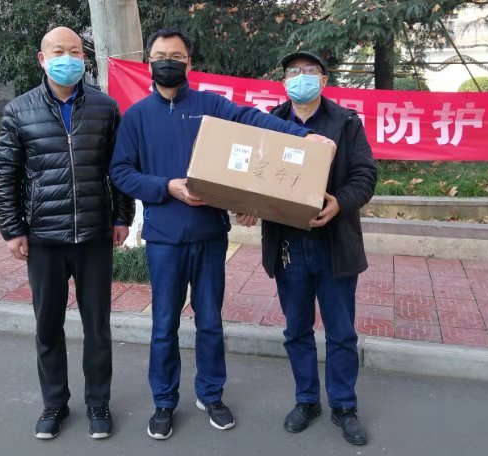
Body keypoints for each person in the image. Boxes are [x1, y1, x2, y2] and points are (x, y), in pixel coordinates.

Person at [109, 28, 334, 440]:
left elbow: (253, 120)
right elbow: (121, 172)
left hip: (210, 235)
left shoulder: (211, 107)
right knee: (164, 325)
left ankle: (211, 394)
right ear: (148, 63)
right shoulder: (136, 117)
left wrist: (304, 136)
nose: (168, 62)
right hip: (164, 240)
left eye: (177, 56)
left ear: (189, 63)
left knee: (210, 321)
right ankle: (164, 402)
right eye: (160, 56)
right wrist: (166, 187)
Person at [0, 26, 135, 442]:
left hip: (94, 236)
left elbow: (119, 168)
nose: (68, 58)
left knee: (98, 326)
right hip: (44, 239)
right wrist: (12, 229)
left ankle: (98, 403)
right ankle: (54, 402)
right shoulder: (19, 110)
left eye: (75, 51)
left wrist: (122, 216)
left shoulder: (105, 108)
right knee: (48, 326)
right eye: (59, 51)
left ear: (84, 58)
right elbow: (5, 175)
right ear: (42, 59)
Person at [261, 51, 377, 446]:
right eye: (294, 71)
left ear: (324, 81)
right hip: (288, 246)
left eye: (310, 71)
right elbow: (257, 177)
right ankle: (307, 400)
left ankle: (343, 405)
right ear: (284, 81)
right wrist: (249, 205)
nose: (302, 77)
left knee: (341, 332)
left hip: (334, 244)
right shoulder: (271, 123)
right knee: (296, 330)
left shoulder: (346, 123)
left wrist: (339, 202)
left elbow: (365, 176)